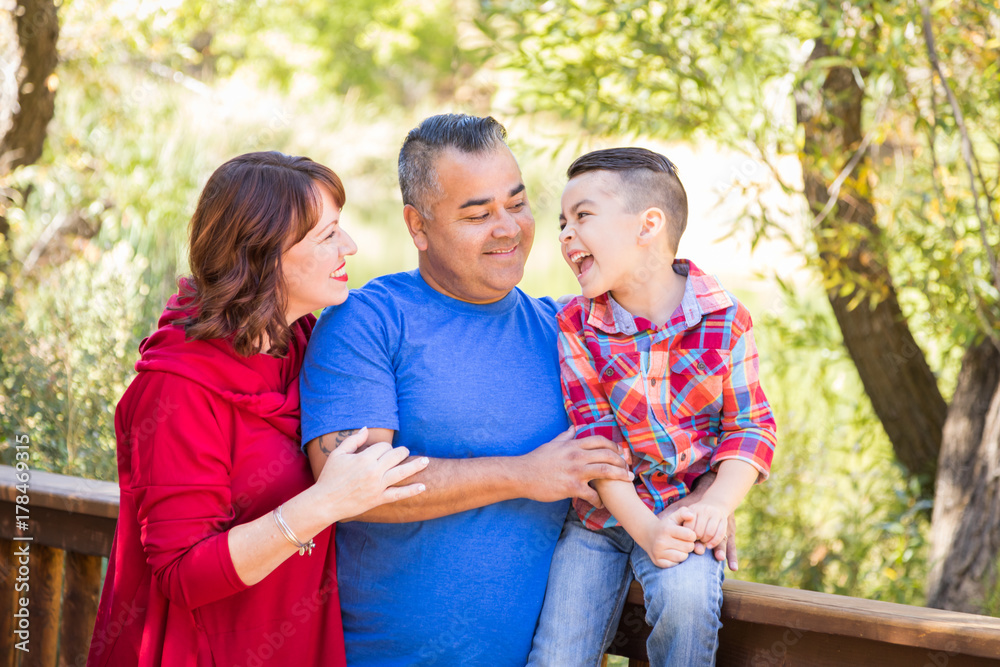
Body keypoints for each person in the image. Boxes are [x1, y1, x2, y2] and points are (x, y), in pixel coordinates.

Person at [300, 115, 736, 666]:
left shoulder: (569, 333)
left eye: (518, 204)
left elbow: (663, 443)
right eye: (478, 214)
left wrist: (705, 501)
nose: (507, 228)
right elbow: (349, 483)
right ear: (418, 227)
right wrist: (523, 474)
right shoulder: (367, 321)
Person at [88, 151, 427, 667]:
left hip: (297, 639)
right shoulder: (178, 389)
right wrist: (323, 504)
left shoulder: (304, 343)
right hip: (204, 649)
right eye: (328, 235)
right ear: (264, 255)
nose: (351, 246)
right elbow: (181, 574)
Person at [527, 147, 777, 666]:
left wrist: (716, 506)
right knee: (557, 656)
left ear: (648, 225)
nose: (565, 234)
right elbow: (596, 443)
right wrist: (646, 530)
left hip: (685, 513)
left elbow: (750, 428)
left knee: (687, 608)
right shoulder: (577, 324)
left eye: (583, 216)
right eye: (562, 223)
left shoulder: (724, 319)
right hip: (601, 519)